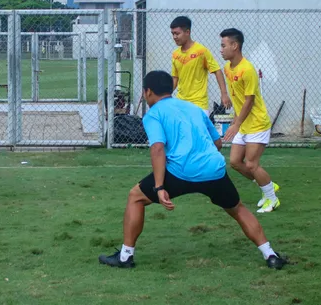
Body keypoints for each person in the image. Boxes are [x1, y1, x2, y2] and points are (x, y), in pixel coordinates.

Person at [99, 70, 287, 270]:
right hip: (214, 170)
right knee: (238, 209)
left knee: (135, 197)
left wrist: (160, 186)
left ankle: (125, 257)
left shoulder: (153, 114)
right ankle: (270, 255)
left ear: (148, 92)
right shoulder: (194, 109)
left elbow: (157, 148)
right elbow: (217, 142)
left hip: (180, 172)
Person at [220, 28, 280, 213]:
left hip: (257, 124)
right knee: (235, 162)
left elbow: (249, 100)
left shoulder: (248, 69)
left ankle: (272, 198)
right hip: (243, 124)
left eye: (223, 45)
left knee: (252, 164)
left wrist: (237, 124)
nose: (221, 49)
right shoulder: (227, 68)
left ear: (235, 46)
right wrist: (236, 121)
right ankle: (267, 184)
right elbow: (238, 99)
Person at [170, 16, 231, 113]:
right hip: (180, 103)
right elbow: (175, 78)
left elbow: (217, 71)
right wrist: (166, 96)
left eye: (177, 33)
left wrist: (224, 94)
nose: (174, 37)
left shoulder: (201, 51)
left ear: (187, 32)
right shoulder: (175, 55)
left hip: (198, 105)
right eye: (172, 34)